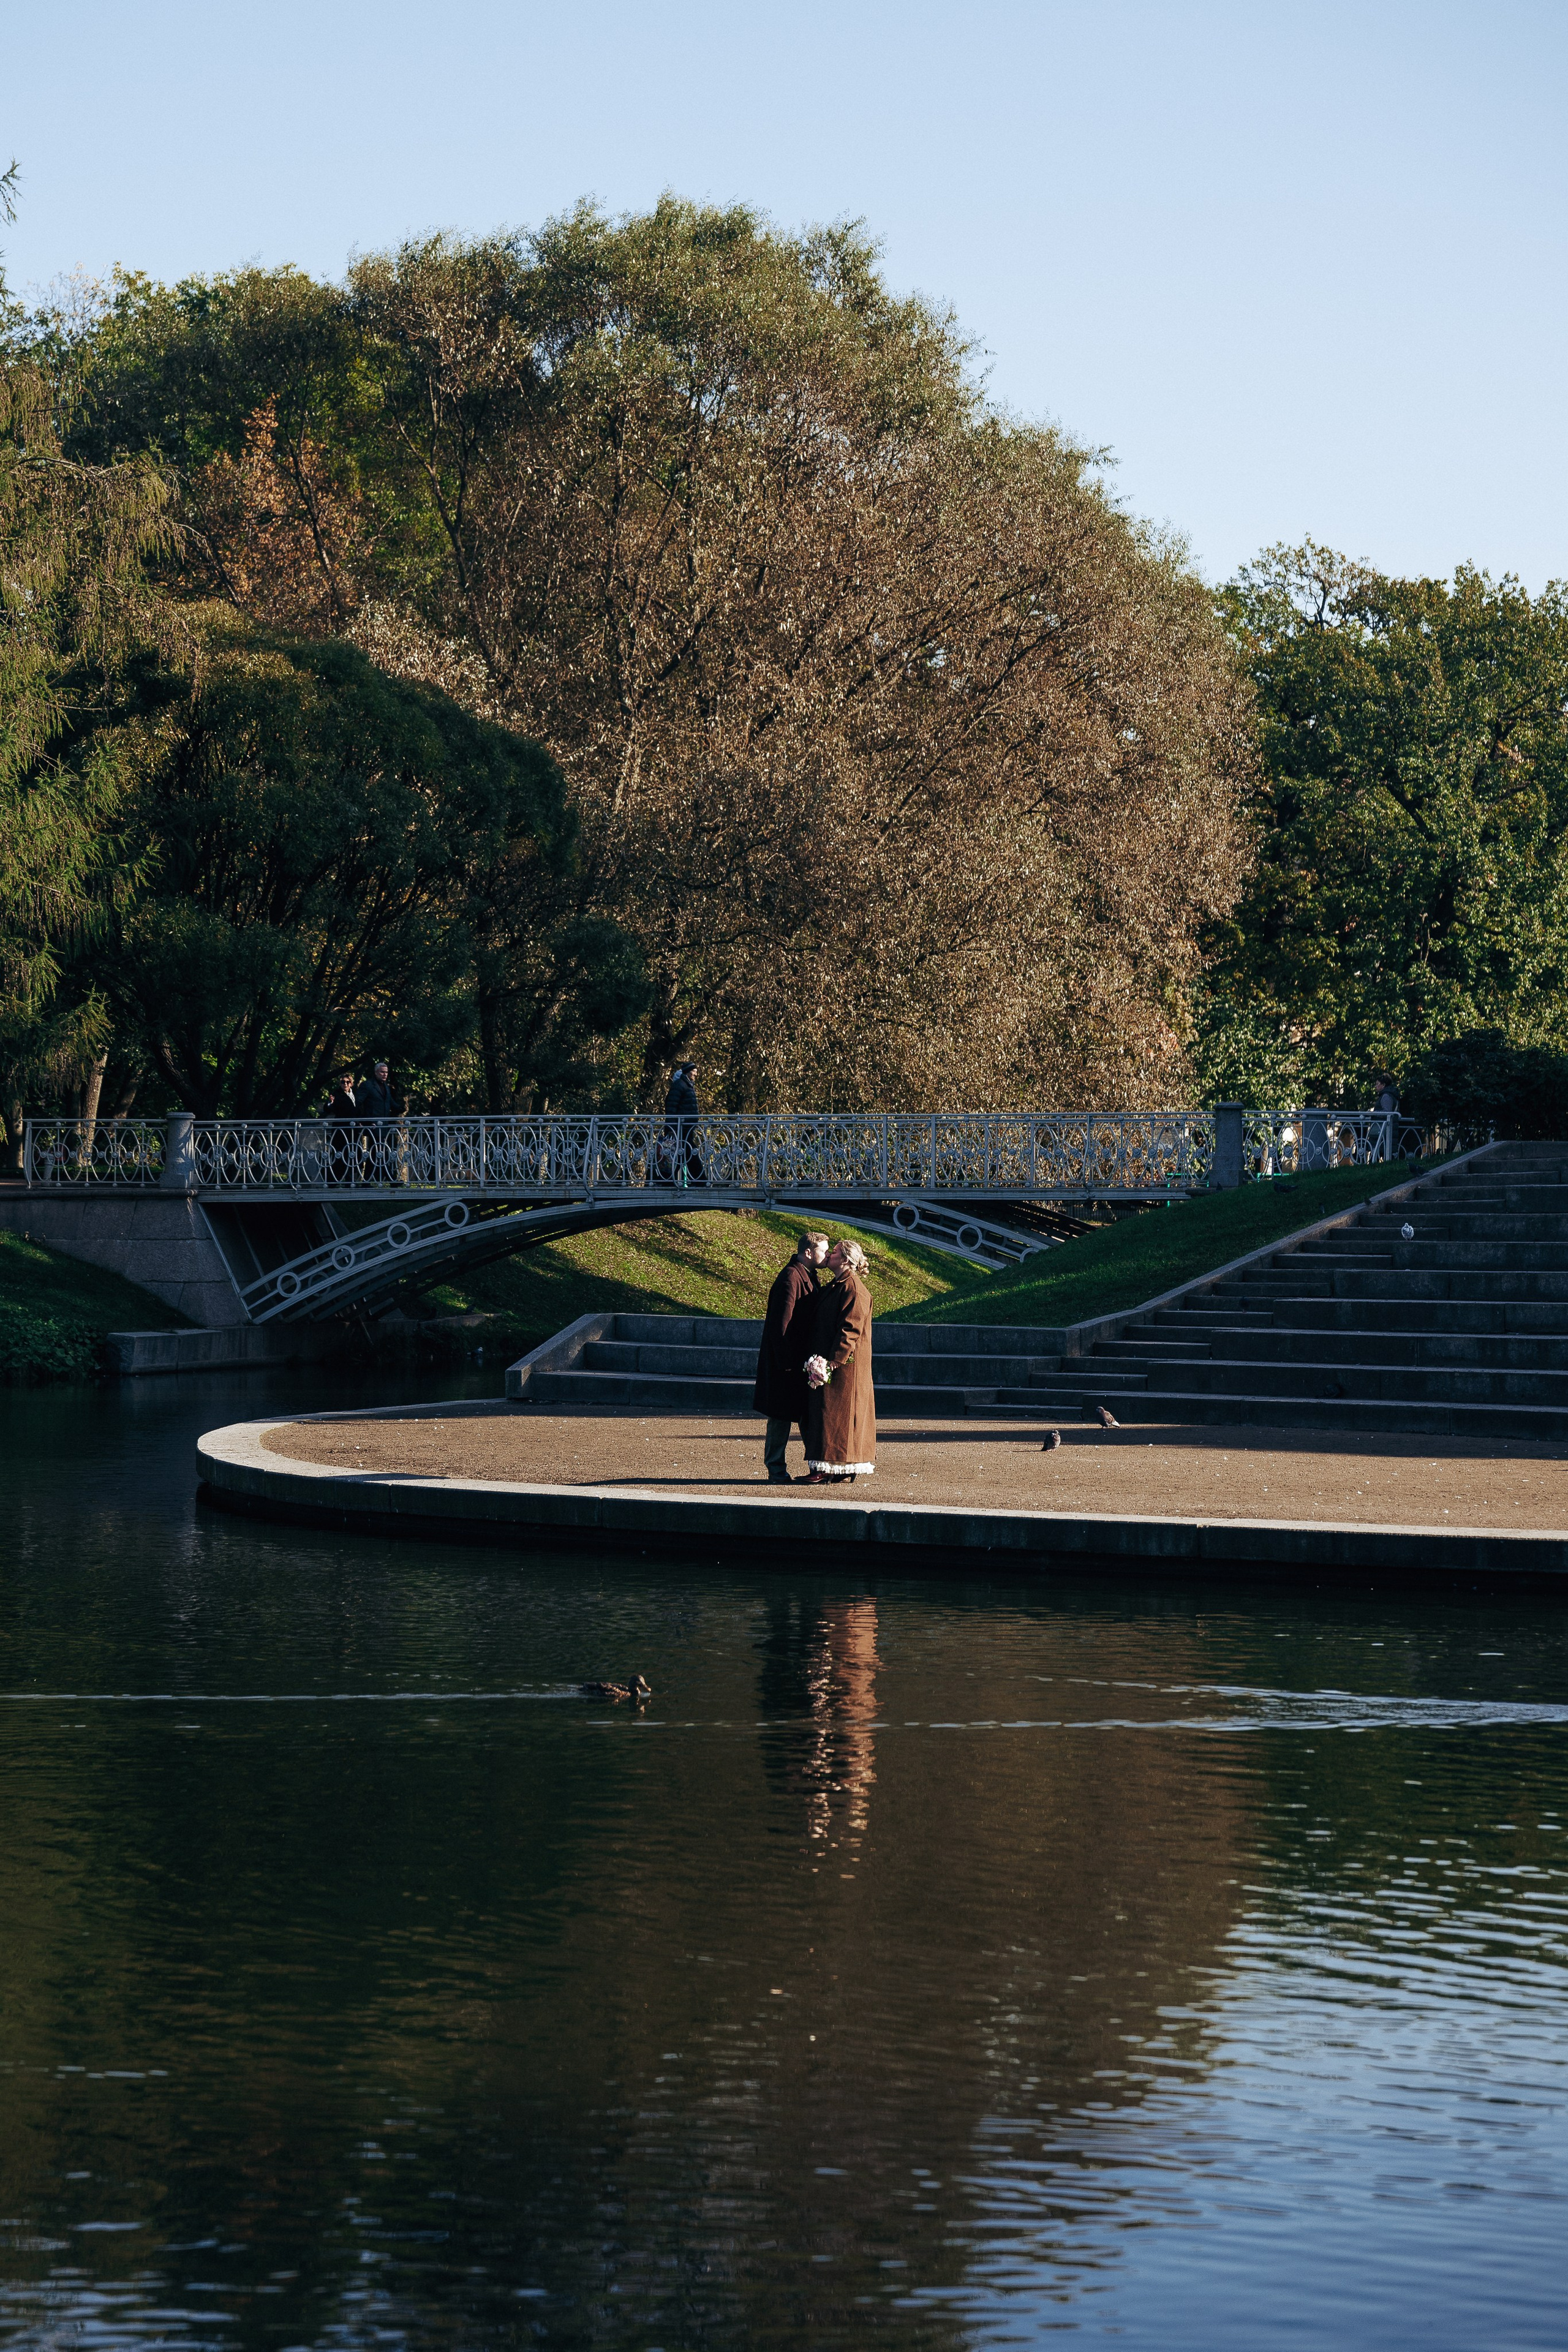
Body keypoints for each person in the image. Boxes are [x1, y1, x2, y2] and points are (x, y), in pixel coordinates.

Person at [753, 1232, 831, 1482]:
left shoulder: (806, 1275)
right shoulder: (791, 1277)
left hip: (798, 1363)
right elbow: (780, 1327)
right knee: (781, 1418)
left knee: (798, 1415)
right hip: (786, 1365)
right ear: (808, 1253)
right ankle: (776, 1469)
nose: (828, 1255)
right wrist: (790, 1365)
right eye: (824, 1251)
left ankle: (816, 1467)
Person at [804, 1238, 876, 1486]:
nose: (829, 1256)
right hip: (837, 1363)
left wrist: (834, 1361)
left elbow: (850, 1329)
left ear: (845, 1260)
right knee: (834, 1416)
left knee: (835, 1415)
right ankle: (838, 1466)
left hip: (845, 1366)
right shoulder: (839, 1285)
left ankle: (829, 1467)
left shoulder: (853, 1288)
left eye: (833, 1253)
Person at [664, 1060, 705, 1186]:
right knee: (687, 1153)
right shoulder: (680, 1085)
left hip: (686, 1127)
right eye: (694, 1071)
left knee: (682, 1154)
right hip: (680, 1128)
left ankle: (666, 1180)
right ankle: (700, 1181)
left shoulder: (687, 1085)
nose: (696, 1074)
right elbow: (671, 1107)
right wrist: (671, 1127)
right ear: (687, 1072)